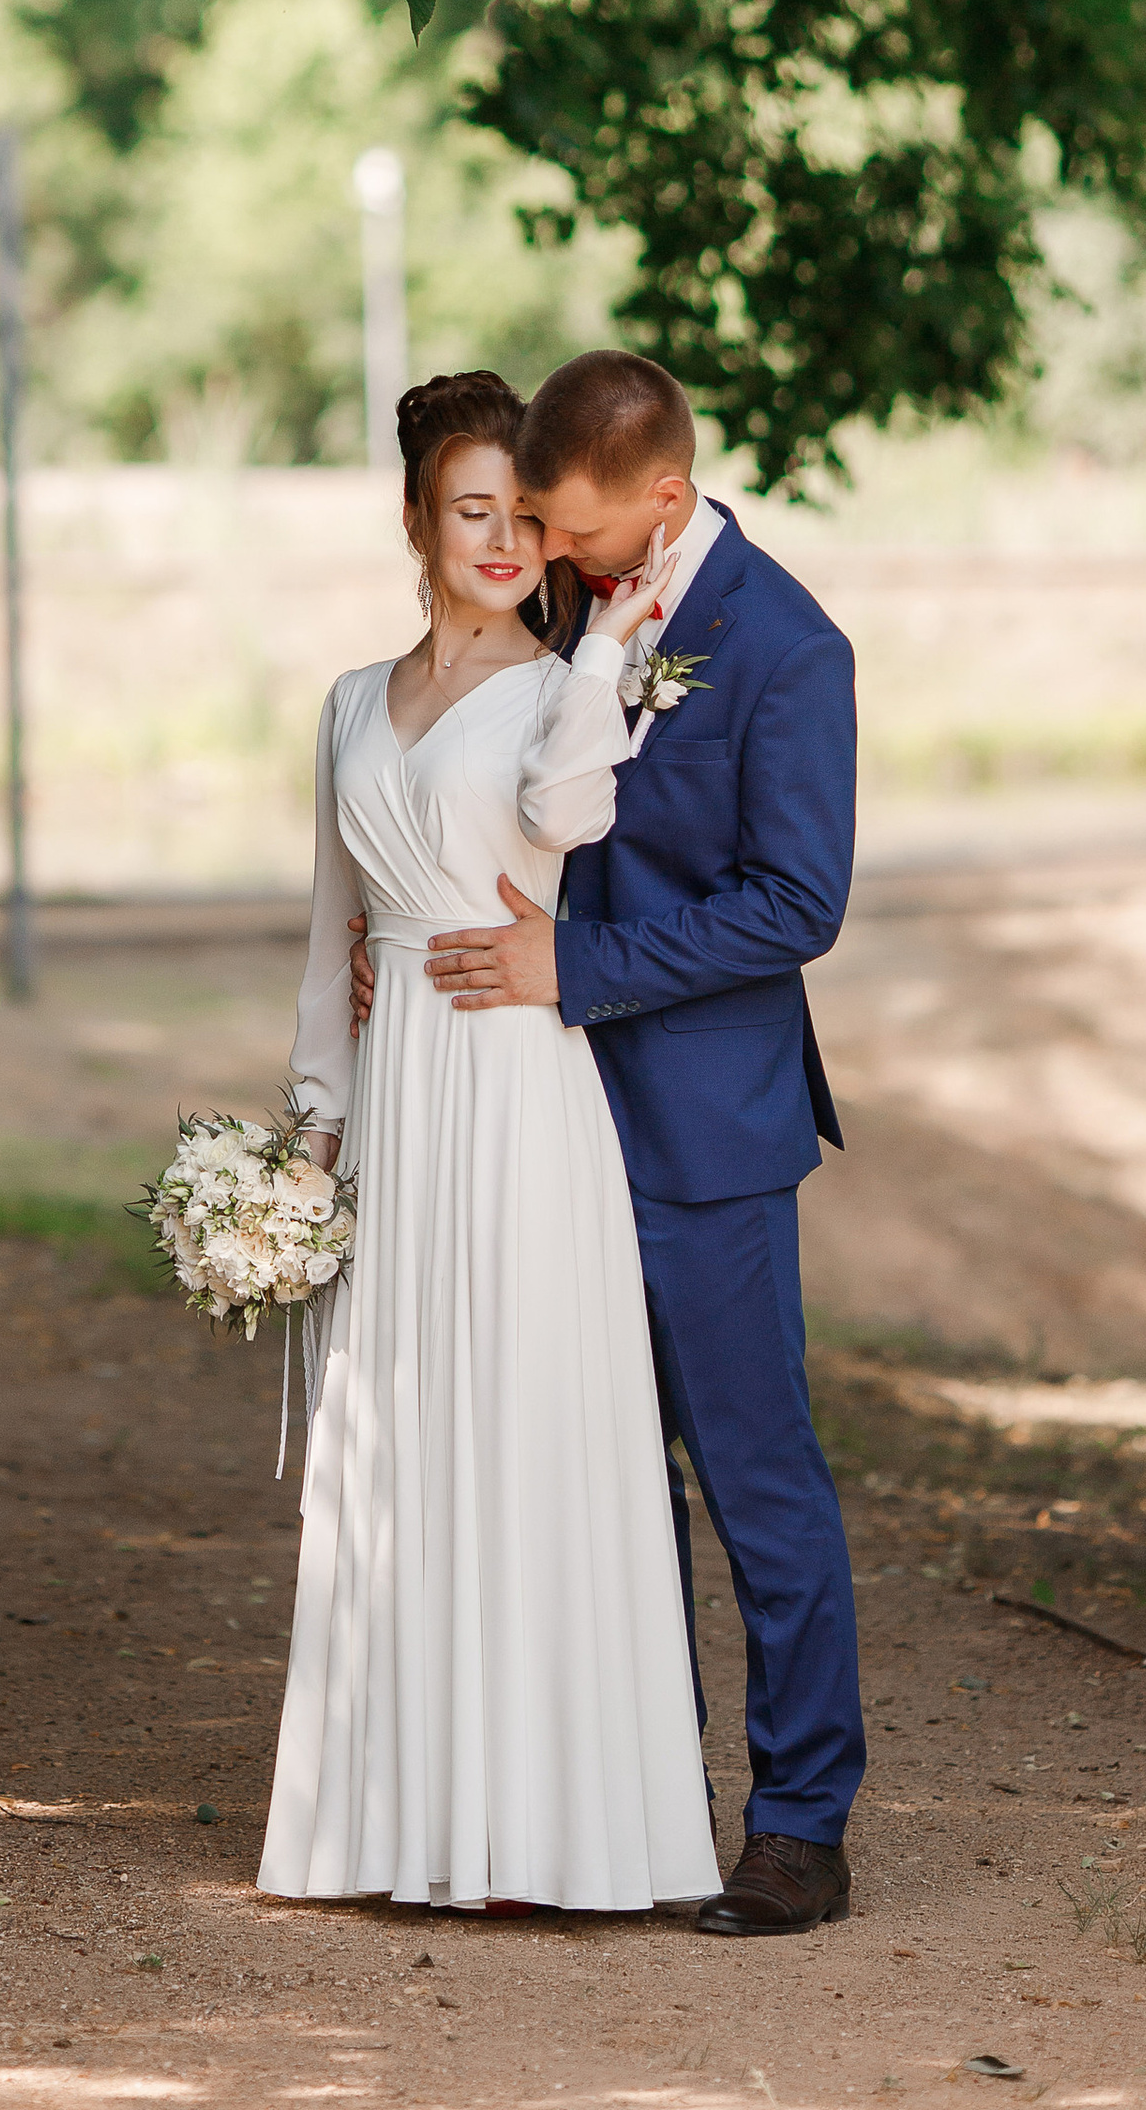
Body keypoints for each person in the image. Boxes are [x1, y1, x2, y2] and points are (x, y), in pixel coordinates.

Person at [355, 349, 863, 1937]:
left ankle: (800, 1828)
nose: (554, 566)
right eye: (544, 541)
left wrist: (575, 969)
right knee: (593, 1485)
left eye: (578, 539)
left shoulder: (785, 647)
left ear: (664, 490)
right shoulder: (579, 602)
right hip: (534, 1126)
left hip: (702, 1128)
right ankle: (623, 1807)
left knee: (753, 1476)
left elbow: (799, 903)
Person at [256, 370, 719, 1919]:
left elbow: (574, 823)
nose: (507, 538)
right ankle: (395, 1822)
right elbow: (334, 939)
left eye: (528, 513)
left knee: (521, 1428)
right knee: (399, 1438)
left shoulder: (565, 686)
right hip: (398, 1102)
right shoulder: (343, 704)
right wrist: (310, 1135)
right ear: (417, 521)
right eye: (475, 512)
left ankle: (544, 1830)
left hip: (520, 1087)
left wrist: (594, 663)